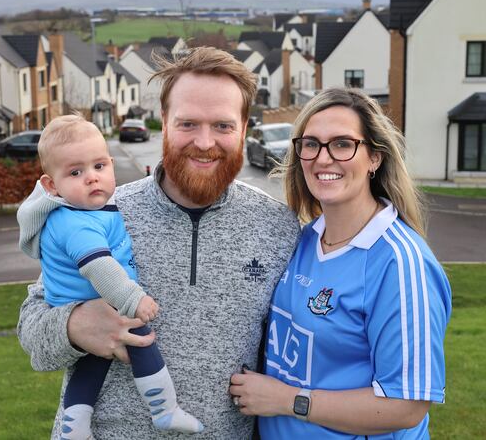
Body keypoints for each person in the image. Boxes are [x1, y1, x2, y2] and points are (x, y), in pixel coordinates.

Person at [16, 47, 301, 439]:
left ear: (244, 127)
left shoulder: (278, 227)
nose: (204, 142)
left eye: (222, 125)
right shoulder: (98, 213)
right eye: (188, 124)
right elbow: (31, 331)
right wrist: (74, 326)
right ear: (164, 122)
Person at [229, 88, 452, 438]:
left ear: (374, 158)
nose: (323, 158)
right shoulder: (301, 240)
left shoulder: (400, 263)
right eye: (311, 144)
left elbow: (407, 405)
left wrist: (288, 401)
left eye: (343, 144)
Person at [16, 113, 204, 439]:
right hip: (99, 301)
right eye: (76, 172)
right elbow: (98, 266)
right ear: (50, 185)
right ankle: (164, 409)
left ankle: (73, 430)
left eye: (99, 167)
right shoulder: (78, 220)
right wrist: (80, 324)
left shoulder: (94, 209)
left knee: (90, 368)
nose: (91, 178)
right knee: (140, 337)